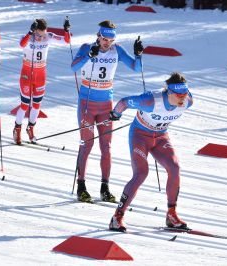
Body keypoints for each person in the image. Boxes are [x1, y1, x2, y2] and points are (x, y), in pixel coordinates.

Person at [108, 72, 193, 232]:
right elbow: (124, 102)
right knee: (141, 173)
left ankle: (171, 215)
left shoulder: (188, 101)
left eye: (185, 94)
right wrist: (116, 113)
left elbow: (185, 99)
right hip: (140, 136)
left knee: (174, 169)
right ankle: (117, 217)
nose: (183, 98)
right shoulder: (150, 101)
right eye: (179, 95)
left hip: (160, 137)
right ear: (169, 92)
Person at [71, 20, 143, 203]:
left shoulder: (116, 50)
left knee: (107, 148)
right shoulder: (87, 47)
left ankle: (105, 187)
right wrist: (88, 55)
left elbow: (137, 68)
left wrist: (139, 54)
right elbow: (73, 67)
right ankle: (81, 186)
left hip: (105, 105)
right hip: (87, 104)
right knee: (86, 145)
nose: (107, 43)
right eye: (104, 39)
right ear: (98, 36)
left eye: (110, 40)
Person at [12, 18, 71, 145]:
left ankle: (31, 129)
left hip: (40, 76)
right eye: (38, 35)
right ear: (33, 31)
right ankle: (17, 129)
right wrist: (29, 33)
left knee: (37, 105)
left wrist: (66, 30)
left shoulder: (48, 37)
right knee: (24, 105)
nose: (40, 38)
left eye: (43, 35)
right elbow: (21, 45)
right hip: (27, 75)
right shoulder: (27, 37)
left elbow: (66, 41)